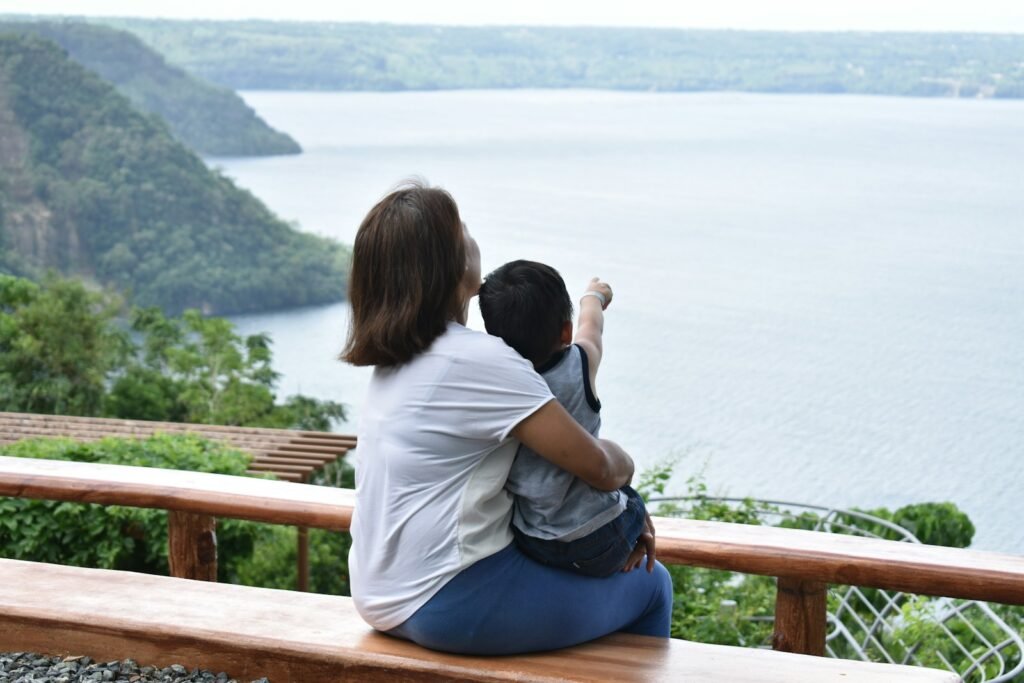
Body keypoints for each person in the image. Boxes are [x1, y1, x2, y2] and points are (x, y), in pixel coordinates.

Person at [342, 182, 672, 655]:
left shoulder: (396, 358)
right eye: (464, 232)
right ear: (453, 267)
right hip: (450, 599)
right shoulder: (482, 361)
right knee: (652, 583)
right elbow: (597, 468)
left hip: (376, 594)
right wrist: (627, 476)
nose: (474, 239)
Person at [478, 260, 649, 577]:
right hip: (599, 539)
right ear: (565, 331)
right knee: (631, 498)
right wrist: (593, 297)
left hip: (534, 539)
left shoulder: (499, 385)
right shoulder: (579, 364)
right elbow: (592, 328)